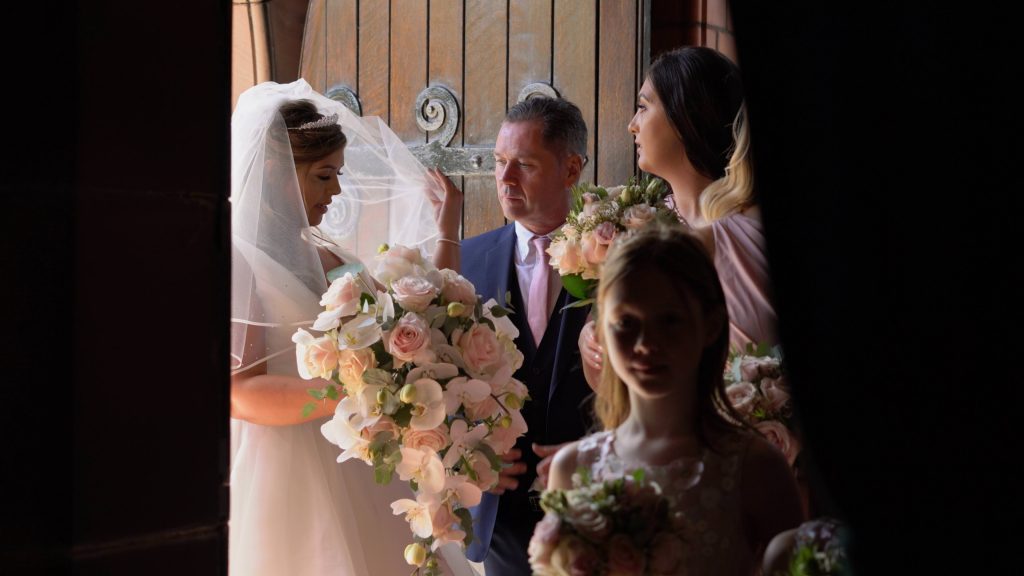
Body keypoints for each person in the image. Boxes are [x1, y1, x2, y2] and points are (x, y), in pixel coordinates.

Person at [228, 79, 470, 576]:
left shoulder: (329, 253)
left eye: (337, 175)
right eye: (323, 175)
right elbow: (239, 392)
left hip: (356, 456)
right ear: (275, 169)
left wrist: (447, 230)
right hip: (290, 469)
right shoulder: (240, 259)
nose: (335, 191)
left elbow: (420, 321)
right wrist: (356, 396)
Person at [548, 224, 804, 575]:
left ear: (710, 324)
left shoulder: (756, 467)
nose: (645, 343)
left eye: (669, 320)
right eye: (625, 322)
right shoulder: (573, 468)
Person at [429, 96, 594, 575]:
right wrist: (471, 459)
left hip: (598, 505)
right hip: (502, 519)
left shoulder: (618, 255)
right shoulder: (467, 260)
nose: (505, 179)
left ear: (571, 169)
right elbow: (436, 379)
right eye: (500, 162)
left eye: (524, 164)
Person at [580, 46, 774, 388]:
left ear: (685, 116)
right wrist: (591, 342)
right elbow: (610, 386)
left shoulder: (749, 231)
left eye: (643, 107)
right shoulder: (636, 227)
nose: (631, 125)